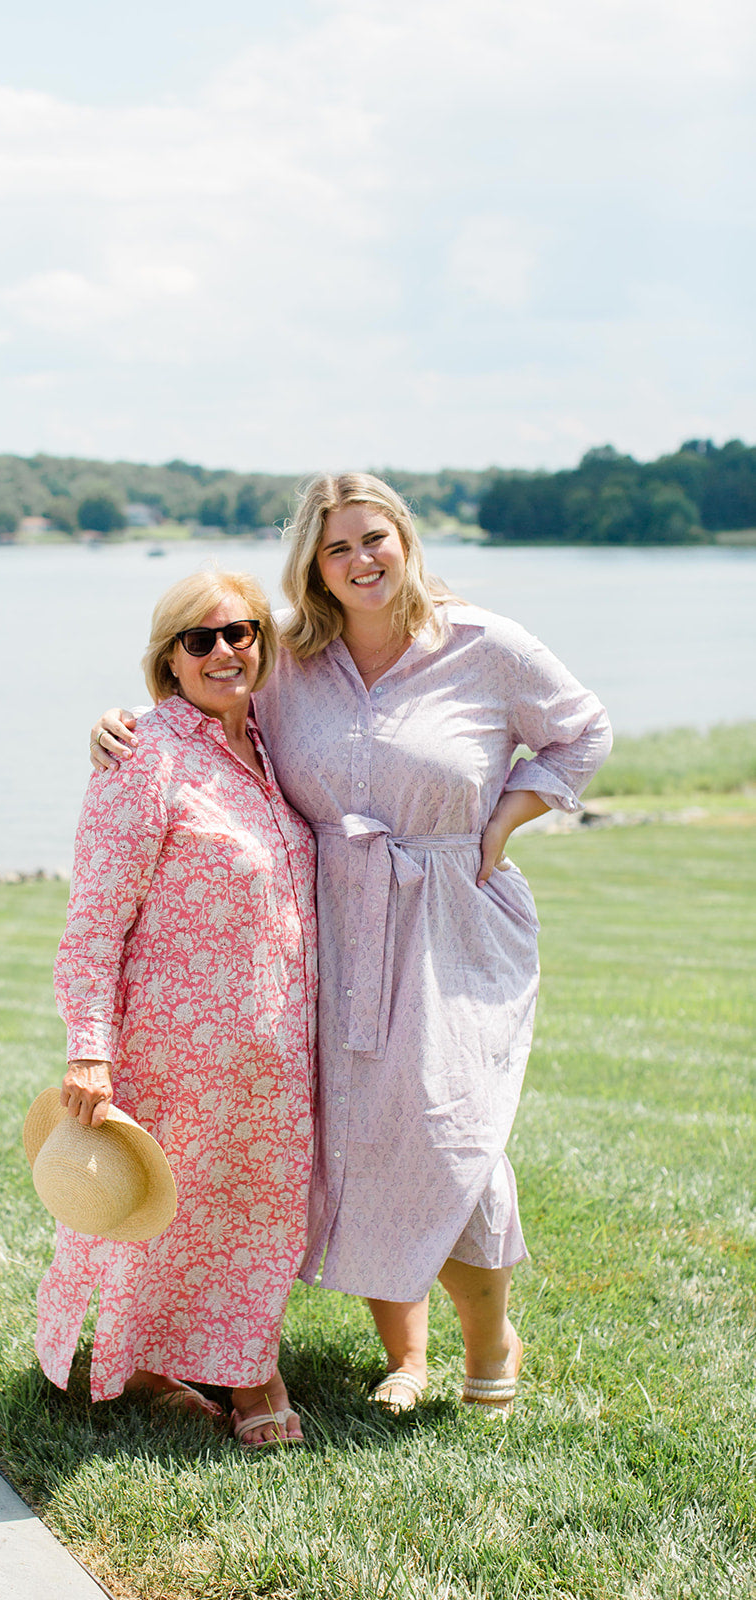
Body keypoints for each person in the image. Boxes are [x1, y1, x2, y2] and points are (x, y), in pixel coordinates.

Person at [91, 474, 611, 1415]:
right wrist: (119, 724)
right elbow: (214, 700)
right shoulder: (291, 657)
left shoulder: (486, 646)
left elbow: (583, 733)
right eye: (337, 547)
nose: (360, 559)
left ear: (404, 540)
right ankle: (403, 1357)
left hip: (453, 916)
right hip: (330, 929)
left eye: (374, 538)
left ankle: (492, 1341)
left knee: (451, 1132)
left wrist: (504, 821)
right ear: (313, 567)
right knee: (364, 1134)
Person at [38, 568, 317, 1447]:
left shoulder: (273, 743)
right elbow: (92, 925)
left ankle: (168, 1362)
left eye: (239, 632)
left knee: (253, 1212)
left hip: (276, 1046)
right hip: (173, 1046)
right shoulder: (144, 757)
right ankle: (248, 1376)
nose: (224, 651)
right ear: (169, 658)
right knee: (180, 1211)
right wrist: (89, 1048)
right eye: (200, 640)